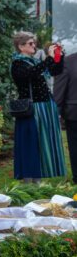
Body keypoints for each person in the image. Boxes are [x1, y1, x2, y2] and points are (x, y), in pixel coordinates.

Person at [11, 31, 66, 183]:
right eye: (30, 43)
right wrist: (48, 58)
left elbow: (56, 70)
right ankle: (29, 180)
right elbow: (30, 74)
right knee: (31, 143)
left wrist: (58, 56)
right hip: (31, 110)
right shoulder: (17, 63)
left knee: (43, 143)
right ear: (21, 46)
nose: (34, 45)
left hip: (44, 108)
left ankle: (39, 177)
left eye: (34, 43)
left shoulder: (34, 62)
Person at [53, 52, 77, 184]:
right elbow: (59, 88)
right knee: (75, 148)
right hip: (74, 113)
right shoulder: (68, 61)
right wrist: (56, 111)